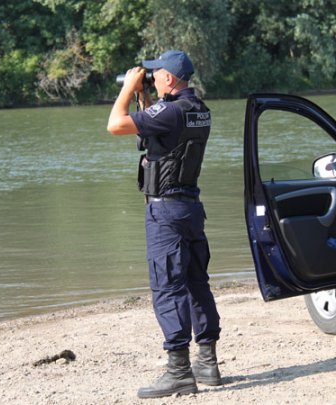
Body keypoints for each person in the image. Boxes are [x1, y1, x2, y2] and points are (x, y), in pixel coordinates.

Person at [106, 50, 222, 398]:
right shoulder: (198, 110)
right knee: (196, 283)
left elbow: (115, 124)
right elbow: (157, 137)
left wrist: (127, 88)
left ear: (170, 79)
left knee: (167, 288)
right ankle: (208, 363)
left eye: (156, 74)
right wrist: (146, 97)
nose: (152, 77)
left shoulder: (170, 112)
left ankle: (178, 371)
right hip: (191, 209)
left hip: (166, 215)